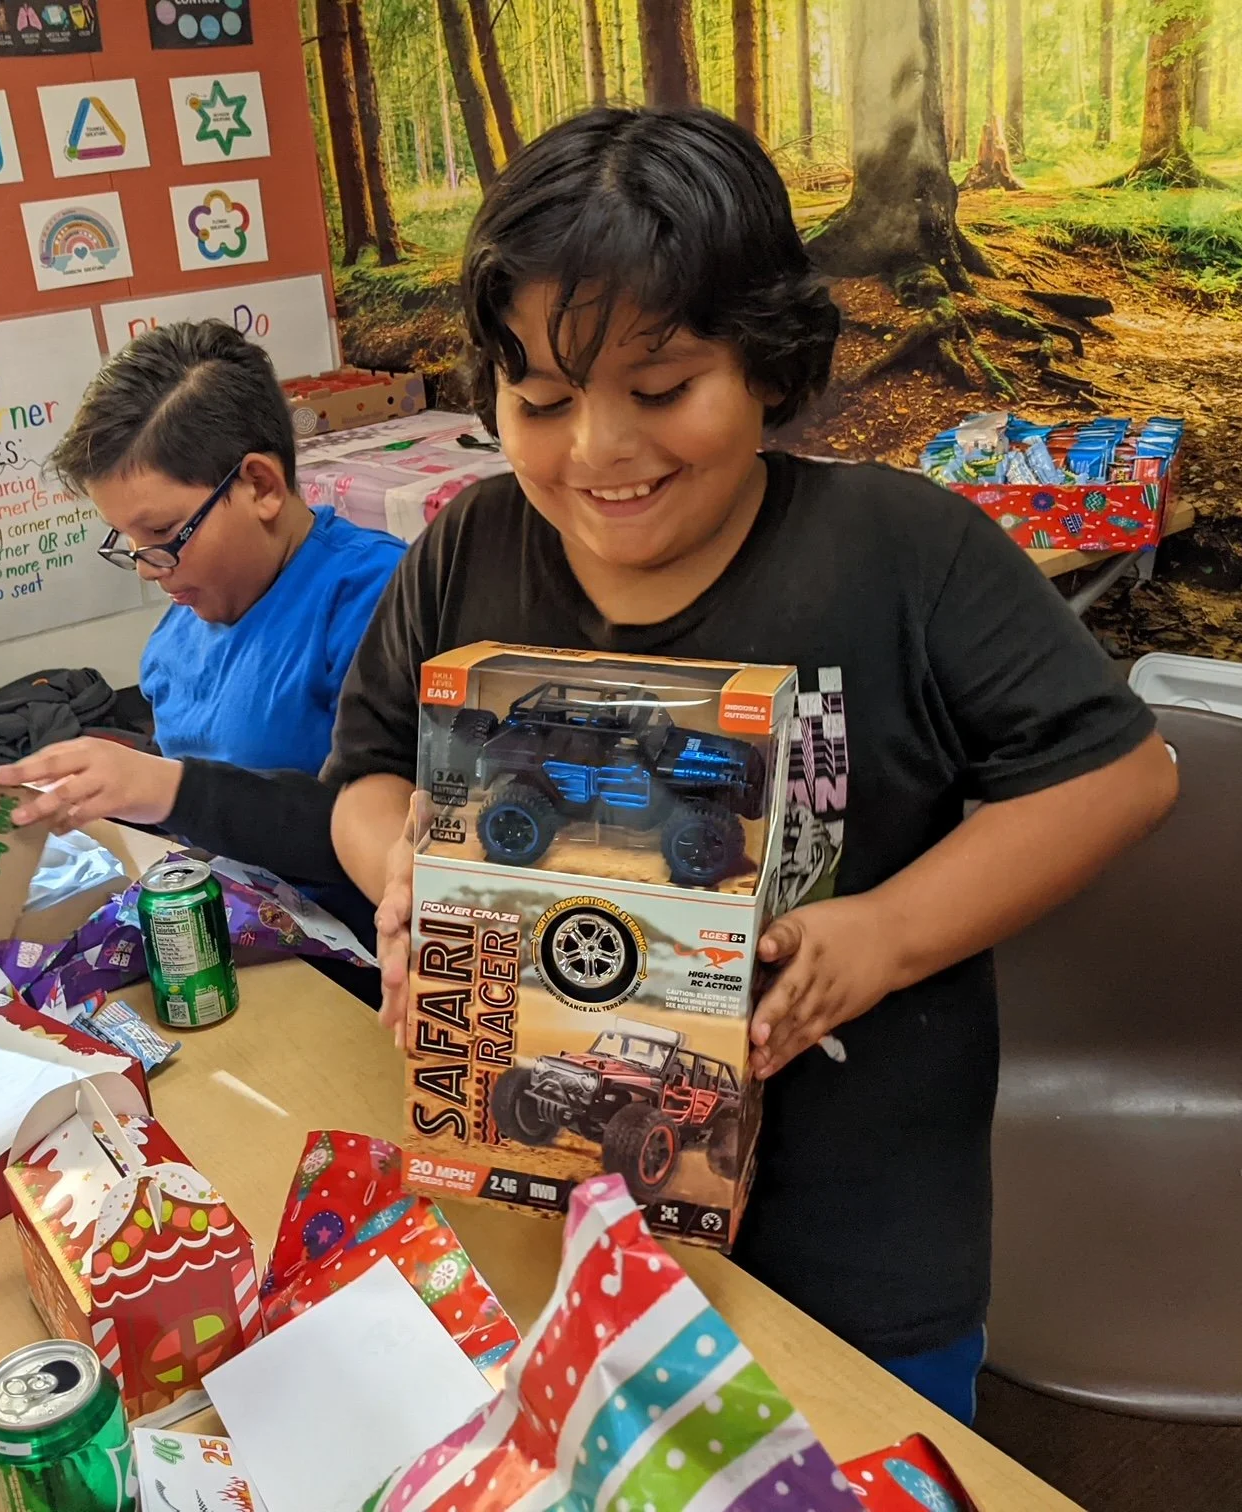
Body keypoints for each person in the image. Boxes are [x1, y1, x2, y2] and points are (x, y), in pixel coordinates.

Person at [322, 107, 1180, 1425]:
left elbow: (1118, 776)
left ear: (770, 364)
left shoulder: (904, 552)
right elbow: (367, 775)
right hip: (538, 1185)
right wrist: (408, 873)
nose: (598, 449)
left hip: (854, 1230)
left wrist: (888, 933)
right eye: (540, 401)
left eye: (662, 390)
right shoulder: (470, 547)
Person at [0, 320, 403, 886]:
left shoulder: (379, 603)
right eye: (126, 539)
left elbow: (397, 848)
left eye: (162, 532)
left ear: (260, 486)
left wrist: (170, 790)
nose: (145, 567)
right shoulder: (178, 635)